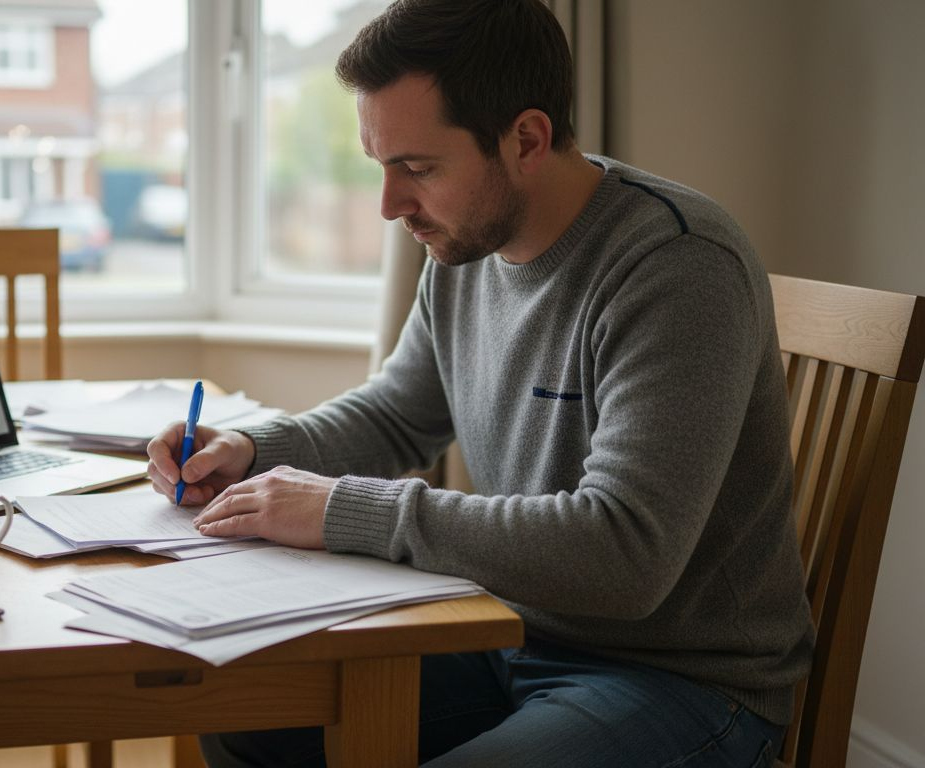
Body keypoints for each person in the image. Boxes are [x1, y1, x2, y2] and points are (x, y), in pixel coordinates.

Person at [146, 0, 814, 765]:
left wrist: (343, 510)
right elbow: (398, 415)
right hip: (502, 629)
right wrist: (251, 451)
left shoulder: (676, 266)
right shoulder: (465, 251)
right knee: (246, 717)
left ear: (526, 139)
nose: (392, 206)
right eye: (382, 167)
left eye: (419, 168)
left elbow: (626, 555)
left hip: (681, 680)